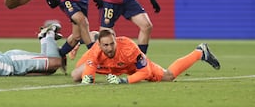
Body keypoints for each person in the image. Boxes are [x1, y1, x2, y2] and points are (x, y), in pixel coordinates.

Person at [71, 30, 221, 84]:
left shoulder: (130, 49)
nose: (109, 48)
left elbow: (145, 72)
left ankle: (200, 52)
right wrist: (87, 78)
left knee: (168, 76)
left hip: (130, 67)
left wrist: (125, 81)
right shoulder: (96, 49)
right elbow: (90, 66)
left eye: (112, 44)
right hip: (108, 66)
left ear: (116, 41)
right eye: (105, 45)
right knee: (76, 75)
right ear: (99, 44)